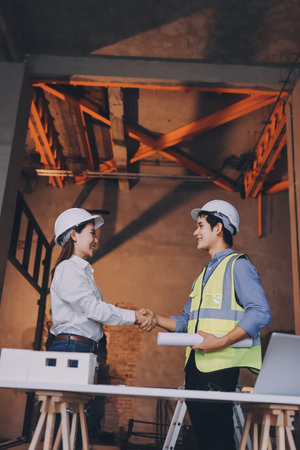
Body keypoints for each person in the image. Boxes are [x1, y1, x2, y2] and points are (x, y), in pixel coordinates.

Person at [141, 199, 272, 450]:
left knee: (217, 440)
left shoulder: (239, 266)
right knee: (206, 439)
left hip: (219, 369)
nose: (195, 232)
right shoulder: (204, 275)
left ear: (219, 228)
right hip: (196, 367)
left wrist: (220, 341)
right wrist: (156, 319)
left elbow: (260, 313)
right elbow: (186, 321)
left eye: (201, 225)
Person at [49, 207, 150, 355]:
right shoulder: (67, 268)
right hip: (73, 347)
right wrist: (134, 316)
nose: (96, 240)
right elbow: (94, 309)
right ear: (74, 235)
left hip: (81, 346)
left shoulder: (79, 270)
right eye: (92, 233)